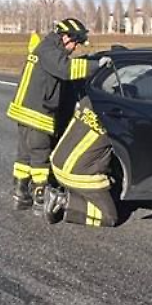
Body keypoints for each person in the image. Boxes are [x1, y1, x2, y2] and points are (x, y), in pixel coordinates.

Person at [6, 18, 107, 214]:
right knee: (40, 157)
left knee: (24, 156)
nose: (75, 47)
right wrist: (96, 66)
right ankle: (41, 199)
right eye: (76, 43)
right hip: (37, 113)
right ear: (66, 37)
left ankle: (20, 195)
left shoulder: (46, 48)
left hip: (24, 111)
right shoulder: (50, 51)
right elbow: (67, 70)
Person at [43, 96, 120, 227]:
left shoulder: (89, 98)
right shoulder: (120, 117)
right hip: (78, 174)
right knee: (109, 216)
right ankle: (63, 201)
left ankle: (66, 192)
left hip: (57, 162)